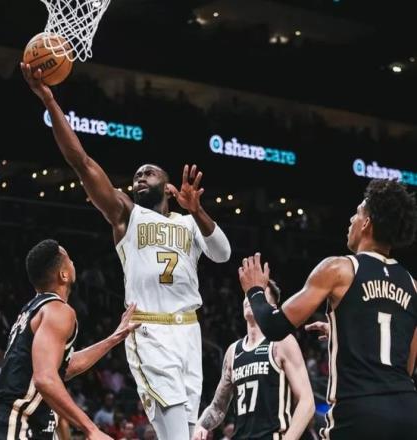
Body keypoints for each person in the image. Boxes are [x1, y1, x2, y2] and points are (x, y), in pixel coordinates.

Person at [21, 63, 231, 440]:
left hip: (189, 330)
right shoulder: (126, 215)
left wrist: (198, 211)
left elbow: (223, 254)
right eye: (136, 176)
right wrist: (50, 103)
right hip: (150, 329)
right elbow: (81, 162)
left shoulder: (188, 223)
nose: (139, 178)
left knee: (187, 433)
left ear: (169, 188)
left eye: (148, 173)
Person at [239, 179, 417, 440]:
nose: (351, 220)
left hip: (359, 411)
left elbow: (275, 326)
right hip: (407, 413)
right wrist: (344, 333)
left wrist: (255, 291)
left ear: (366, 224)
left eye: (357, 213)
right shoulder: (412, 285)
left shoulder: (339, 269)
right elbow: (406, 363)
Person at [0, 239, 139, 439]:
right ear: (63, 275)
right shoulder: (58, 310)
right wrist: (91, 429)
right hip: (14, 425)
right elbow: (45, 379)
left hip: (5, 424)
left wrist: (113, 339)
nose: (73, 262)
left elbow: (63, 368)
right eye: (69, 259)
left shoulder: (33, 309)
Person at [193, 281, 314, 440]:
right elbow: (217, 408)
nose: (249, 298)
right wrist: (201, 426)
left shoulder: (282, 342)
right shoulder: (233, 351)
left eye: (257, 294)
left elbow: (307, 402)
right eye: (247, 294)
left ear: (272, 307)